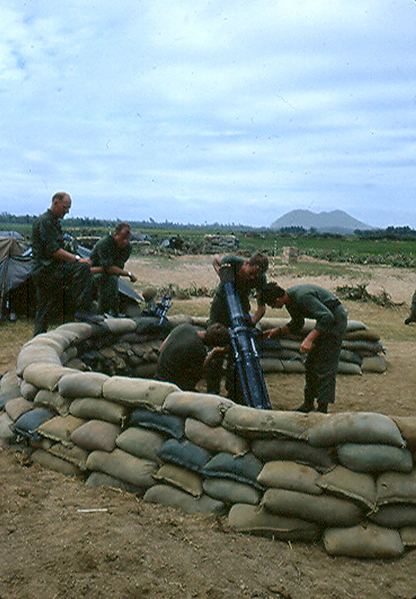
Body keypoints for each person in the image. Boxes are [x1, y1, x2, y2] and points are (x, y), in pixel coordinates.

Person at [263, 282, 348, 413]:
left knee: (326, 364)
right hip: (325, 321)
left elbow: (327, 317)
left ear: (277, 299)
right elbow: (297, 324)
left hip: (335, 320)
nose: (273, 308)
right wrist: (278, 331)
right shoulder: (289, 301)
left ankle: (322, 408)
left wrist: (309, 339)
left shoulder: (302, 297)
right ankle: (308, 404)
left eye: (272, 305)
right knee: (311, 362)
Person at [31, 192, 103, 336]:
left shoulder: (52, 221)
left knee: (44, 308)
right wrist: (77, 259)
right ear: (55, 202)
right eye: (65, 207)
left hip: (45, 270)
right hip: (47, 270)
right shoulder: (46, 222)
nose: (67, 211)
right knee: (82, 268)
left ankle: (37, 339)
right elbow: (54, 251)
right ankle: (82, 310)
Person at [207, 251, 269, 401]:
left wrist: (252, 322)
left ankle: (233, 392)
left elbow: (261, 308)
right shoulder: (232, 261)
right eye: (251, 273)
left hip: (240, 309)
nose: (253, 278)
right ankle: (212, 392)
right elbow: (216, 260)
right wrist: (222, 276)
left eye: (257, 276)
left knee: (238, 352)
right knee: (215, 349)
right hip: (220, 308)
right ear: (247, 263)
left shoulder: (261, 280)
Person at [156, 322, 230, 392]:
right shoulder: (199, 349)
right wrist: (213, 353)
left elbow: (160, 349)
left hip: (158, 376)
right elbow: (197, 376)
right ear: (213, 344)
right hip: (172, 386)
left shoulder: (185, 327)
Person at [89, 222, 137, 316]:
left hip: (108, 274)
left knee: (112, 279)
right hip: (90, 274)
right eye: (122, 238)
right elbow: (109, 268)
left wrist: (112, 270)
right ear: (115, 234)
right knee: (110, 279)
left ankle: (110, 310)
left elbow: (116, 269)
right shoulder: (104, 243)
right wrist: (128, 274)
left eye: (127, 239)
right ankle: (106, 311)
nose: (125, 241)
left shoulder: (127, 248)